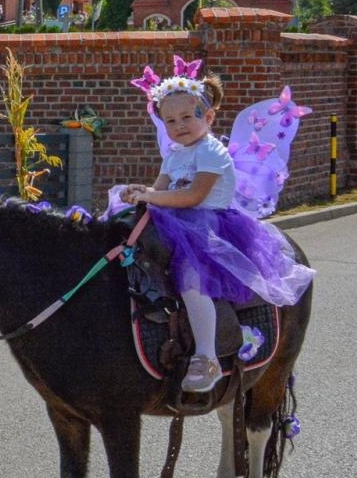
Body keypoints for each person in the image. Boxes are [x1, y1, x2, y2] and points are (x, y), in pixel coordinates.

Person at [119, 70, 315, 392]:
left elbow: (194, 196)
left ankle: (206, 358)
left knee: (191, 281)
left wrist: (153, 196)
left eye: (187, 117)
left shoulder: (211, 152)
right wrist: (140, 192)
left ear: (208, 116)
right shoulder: (174, 155)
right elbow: (160, 190)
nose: (179, 126)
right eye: (170, 121)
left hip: (206, 226)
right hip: (173, 221)